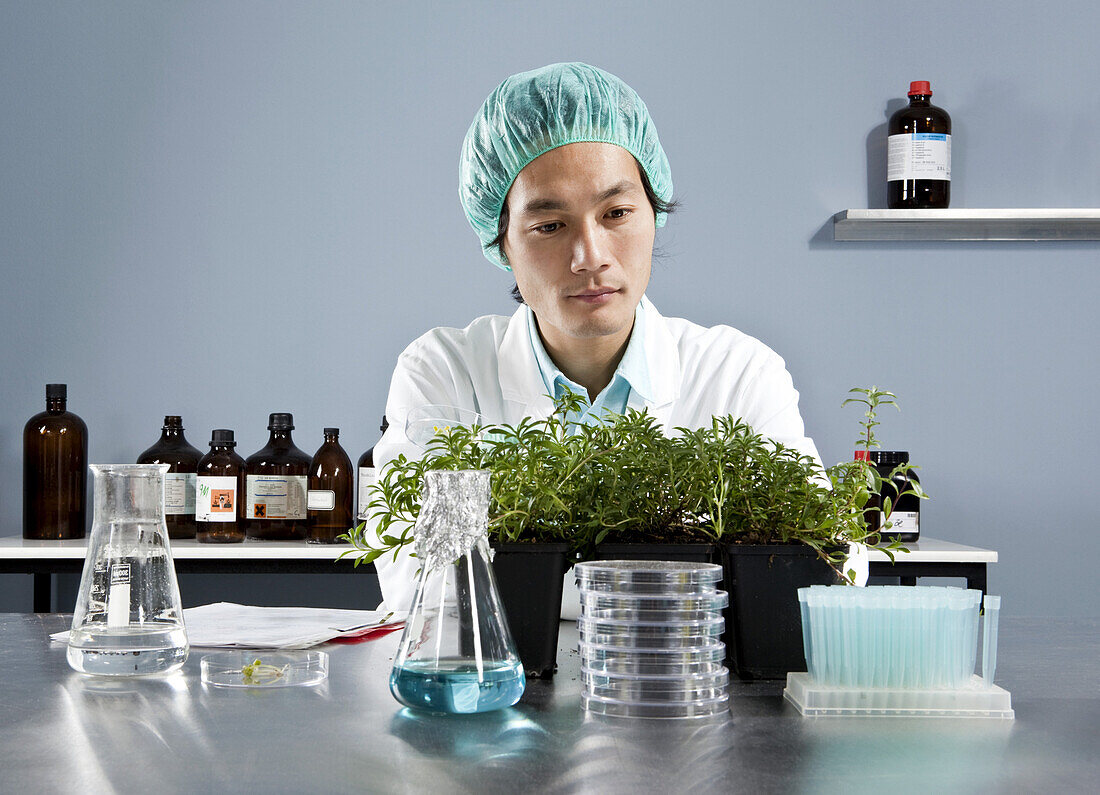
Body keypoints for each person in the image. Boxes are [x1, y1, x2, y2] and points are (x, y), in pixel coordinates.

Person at [371, 63, 827, 611]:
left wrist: (535, 583)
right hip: (495, 692)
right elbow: (428, 584)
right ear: (502, 244)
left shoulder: (737, 373)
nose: (591, 257)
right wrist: (673, 582)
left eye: (616, 213)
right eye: (549, 225)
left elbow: (821, 568)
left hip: (678, 688)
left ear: (654, 215)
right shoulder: (446, 372)